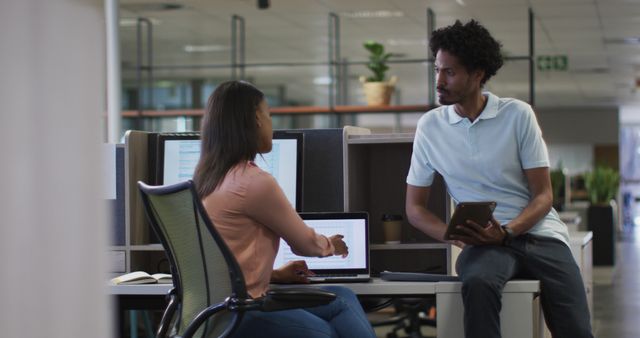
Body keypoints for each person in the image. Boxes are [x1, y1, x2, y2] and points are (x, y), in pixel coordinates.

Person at [405, 20, 593, 338]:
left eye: (449, 72)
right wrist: (457, 237)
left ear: (478, 75)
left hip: (539, 235)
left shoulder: (517, 115)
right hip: (483, 243)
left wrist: (507, 232)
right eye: (437, 70)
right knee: (478, 284)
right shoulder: (430, 127)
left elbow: (544, 195)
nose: (439, 80)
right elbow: (415, 208)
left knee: (575, 327)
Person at [193, 80, 376, 338]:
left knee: (342, 296)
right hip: (240, 311)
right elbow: (306, 244)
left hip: (216, 307)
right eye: (269, 115)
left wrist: (275, 274)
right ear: (256, 119)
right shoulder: (253, 181)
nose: (271, 125)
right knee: (325, 332)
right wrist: (332, 244)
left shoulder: (208, 178)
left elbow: (225, 262)